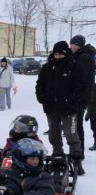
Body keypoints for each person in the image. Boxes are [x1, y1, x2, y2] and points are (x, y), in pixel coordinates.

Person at [35, 40, 85, 174]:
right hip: (51, 108)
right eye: (55, 55)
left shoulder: (74, 66)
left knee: (71, 134)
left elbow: (80, 87)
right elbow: (40, 84)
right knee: (54, 134)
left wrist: (72, 100)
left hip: (68, 108)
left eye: (60, 55)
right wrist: (42, 97)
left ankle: (76, 159)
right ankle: (58, 155)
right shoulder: (47, 67)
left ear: (65, 54)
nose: (57, 58)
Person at [70, 35, 96, 158]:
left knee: (76, 126)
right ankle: (78, 151)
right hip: (81, 96)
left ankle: (78, 153)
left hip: (80, 98)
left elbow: (81, 79)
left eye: (72, 44)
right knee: (75, 125)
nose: (70, 47)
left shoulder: (84, 57)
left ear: (77, 44)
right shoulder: (83, 56)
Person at [86, 84, 96, 151]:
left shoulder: (93, 87)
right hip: (92, 112)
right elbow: (90, 102)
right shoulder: (91, 87)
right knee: (93, 128)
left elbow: (91, 101)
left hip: (94, 112)